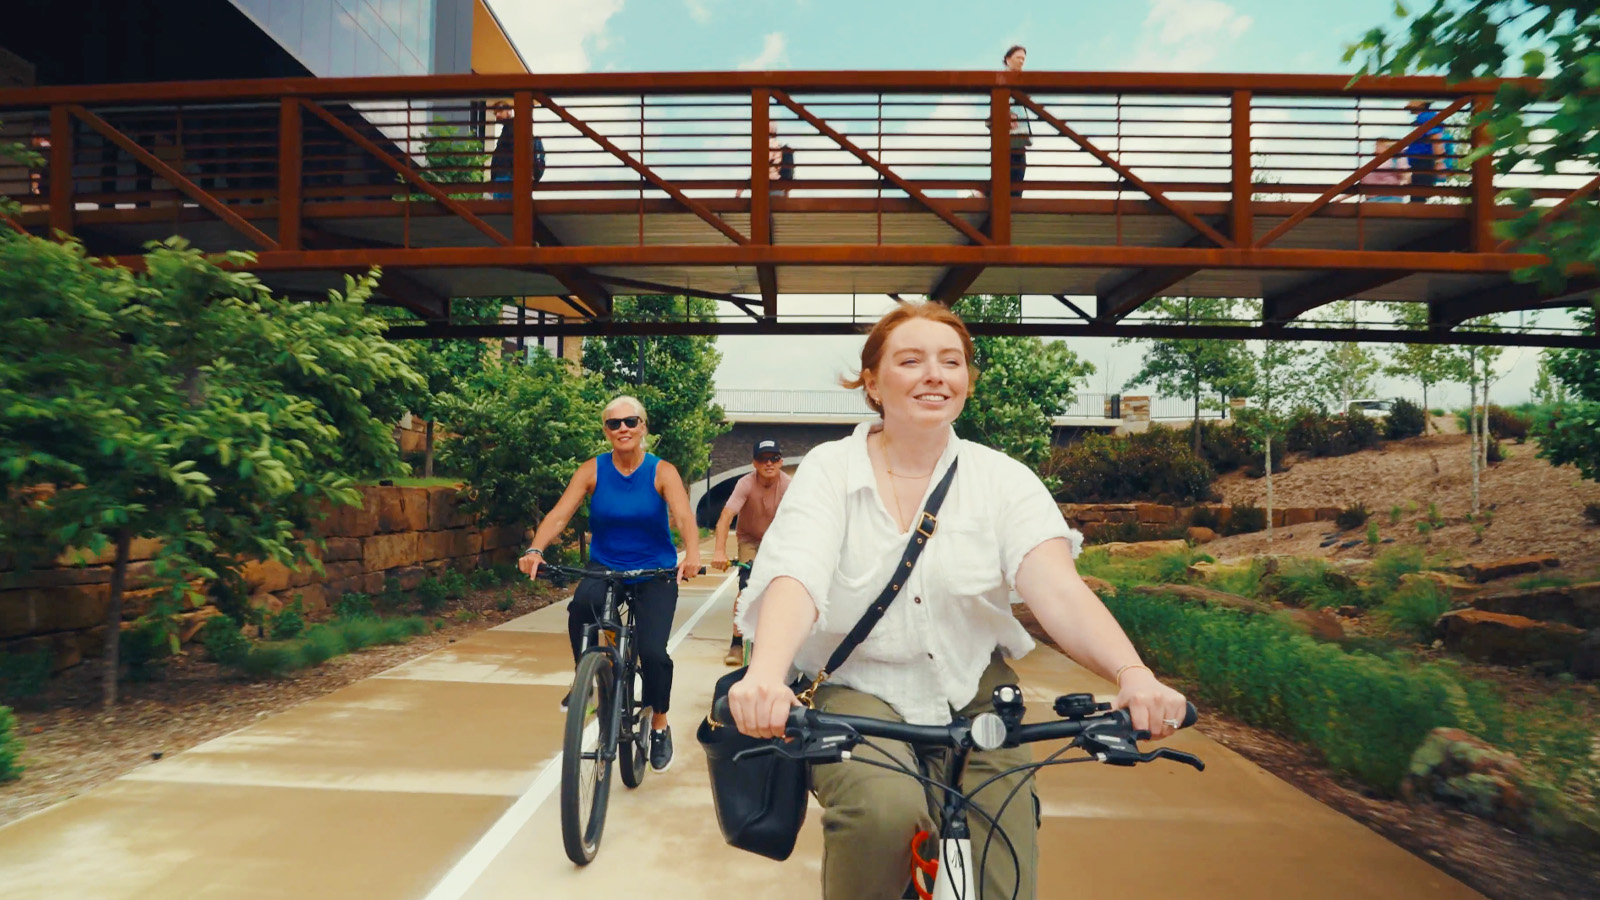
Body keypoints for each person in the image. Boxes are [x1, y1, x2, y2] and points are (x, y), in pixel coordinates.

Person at [725, 303, 1188, 900]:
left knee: (1006, 830)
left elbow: (1056, 588)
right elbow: (798, 573)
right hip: (857, 685)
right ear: (872, 382)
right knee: (883, 814)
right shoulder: (828, 470)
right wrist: (765, 675)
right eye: (910, 360)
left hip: (975, 686)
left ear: (967, 379)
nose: (934, 374)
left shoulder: (1003, 479)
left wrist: (1135, 675)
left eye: (951, 361)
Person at [519, 396, 702, 772]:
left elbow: (683, 516)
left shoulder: (661, 471)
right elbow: (559, 515)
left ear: (643, 427)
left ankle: (659, 723)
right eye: (614, 424)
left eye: (631, 422)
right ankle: (585, 679)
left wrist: (693, 554)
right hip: (606, 565)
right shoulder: (593, 470)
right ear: (606, 431)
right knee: (581, 608)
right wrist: (536, 548)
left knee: (653, 653)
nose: (623, 429)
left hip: (655, 571)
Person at [711, 438, 792, 665]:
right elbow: (726, 516)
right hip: (750, 541)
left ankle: (782, 642)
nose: (769, 464)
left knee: (785, 587)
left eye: (774, 459)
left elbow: (801, 518)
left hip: (778, 541)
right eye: (763, 459)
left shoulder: (788, 485)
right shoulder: (745, 483)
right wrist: (719, 551)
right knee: (746, 587)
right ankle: (737, 643)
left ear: (781, 461)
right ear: (754, 463)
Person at [487, 100, 546, 202]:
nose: (497, 114)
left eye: (500, 111)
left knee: (506, 210)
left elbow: (518, 152)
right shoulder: (509, 128)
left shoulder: (514, 127)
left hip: (508, 176)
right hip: (506, 176)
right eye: (495, 112)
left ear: (509, 111)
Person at [1402, 100, 1445, 204]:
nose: (1408, 103)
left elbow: (1436, 139)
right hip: (1418, 164)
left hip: (1424, 163)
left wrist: (1439, 162)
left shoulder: (1427, 117)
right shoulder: (1422, 118)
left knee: (1418, 198)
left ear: (1420, 102)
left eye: (1411, 100)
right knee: (1417, 196)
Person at [1004, 45, 1031, 198]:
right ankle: (981, 195)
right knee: (1009, 173)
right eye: (1018, 58)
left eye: (1023, 59)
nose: (1021, 62)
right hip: (1008, 135)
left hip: (1018, 136)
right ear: (1008, 60)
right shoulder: (1002, 80)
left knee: (1018, 172)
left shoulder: (1020, 83)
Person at [1361, 138, 1407, 202]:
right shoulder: (1371, 165)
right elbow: (1360, 185)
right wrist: (1342, 198)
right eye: (1376, 144)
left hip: (1390, 200)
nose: (1376, 146)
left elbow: (1404, 175)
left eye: (1379, 144)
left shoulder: (1395, 160)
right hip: (1371, 202)